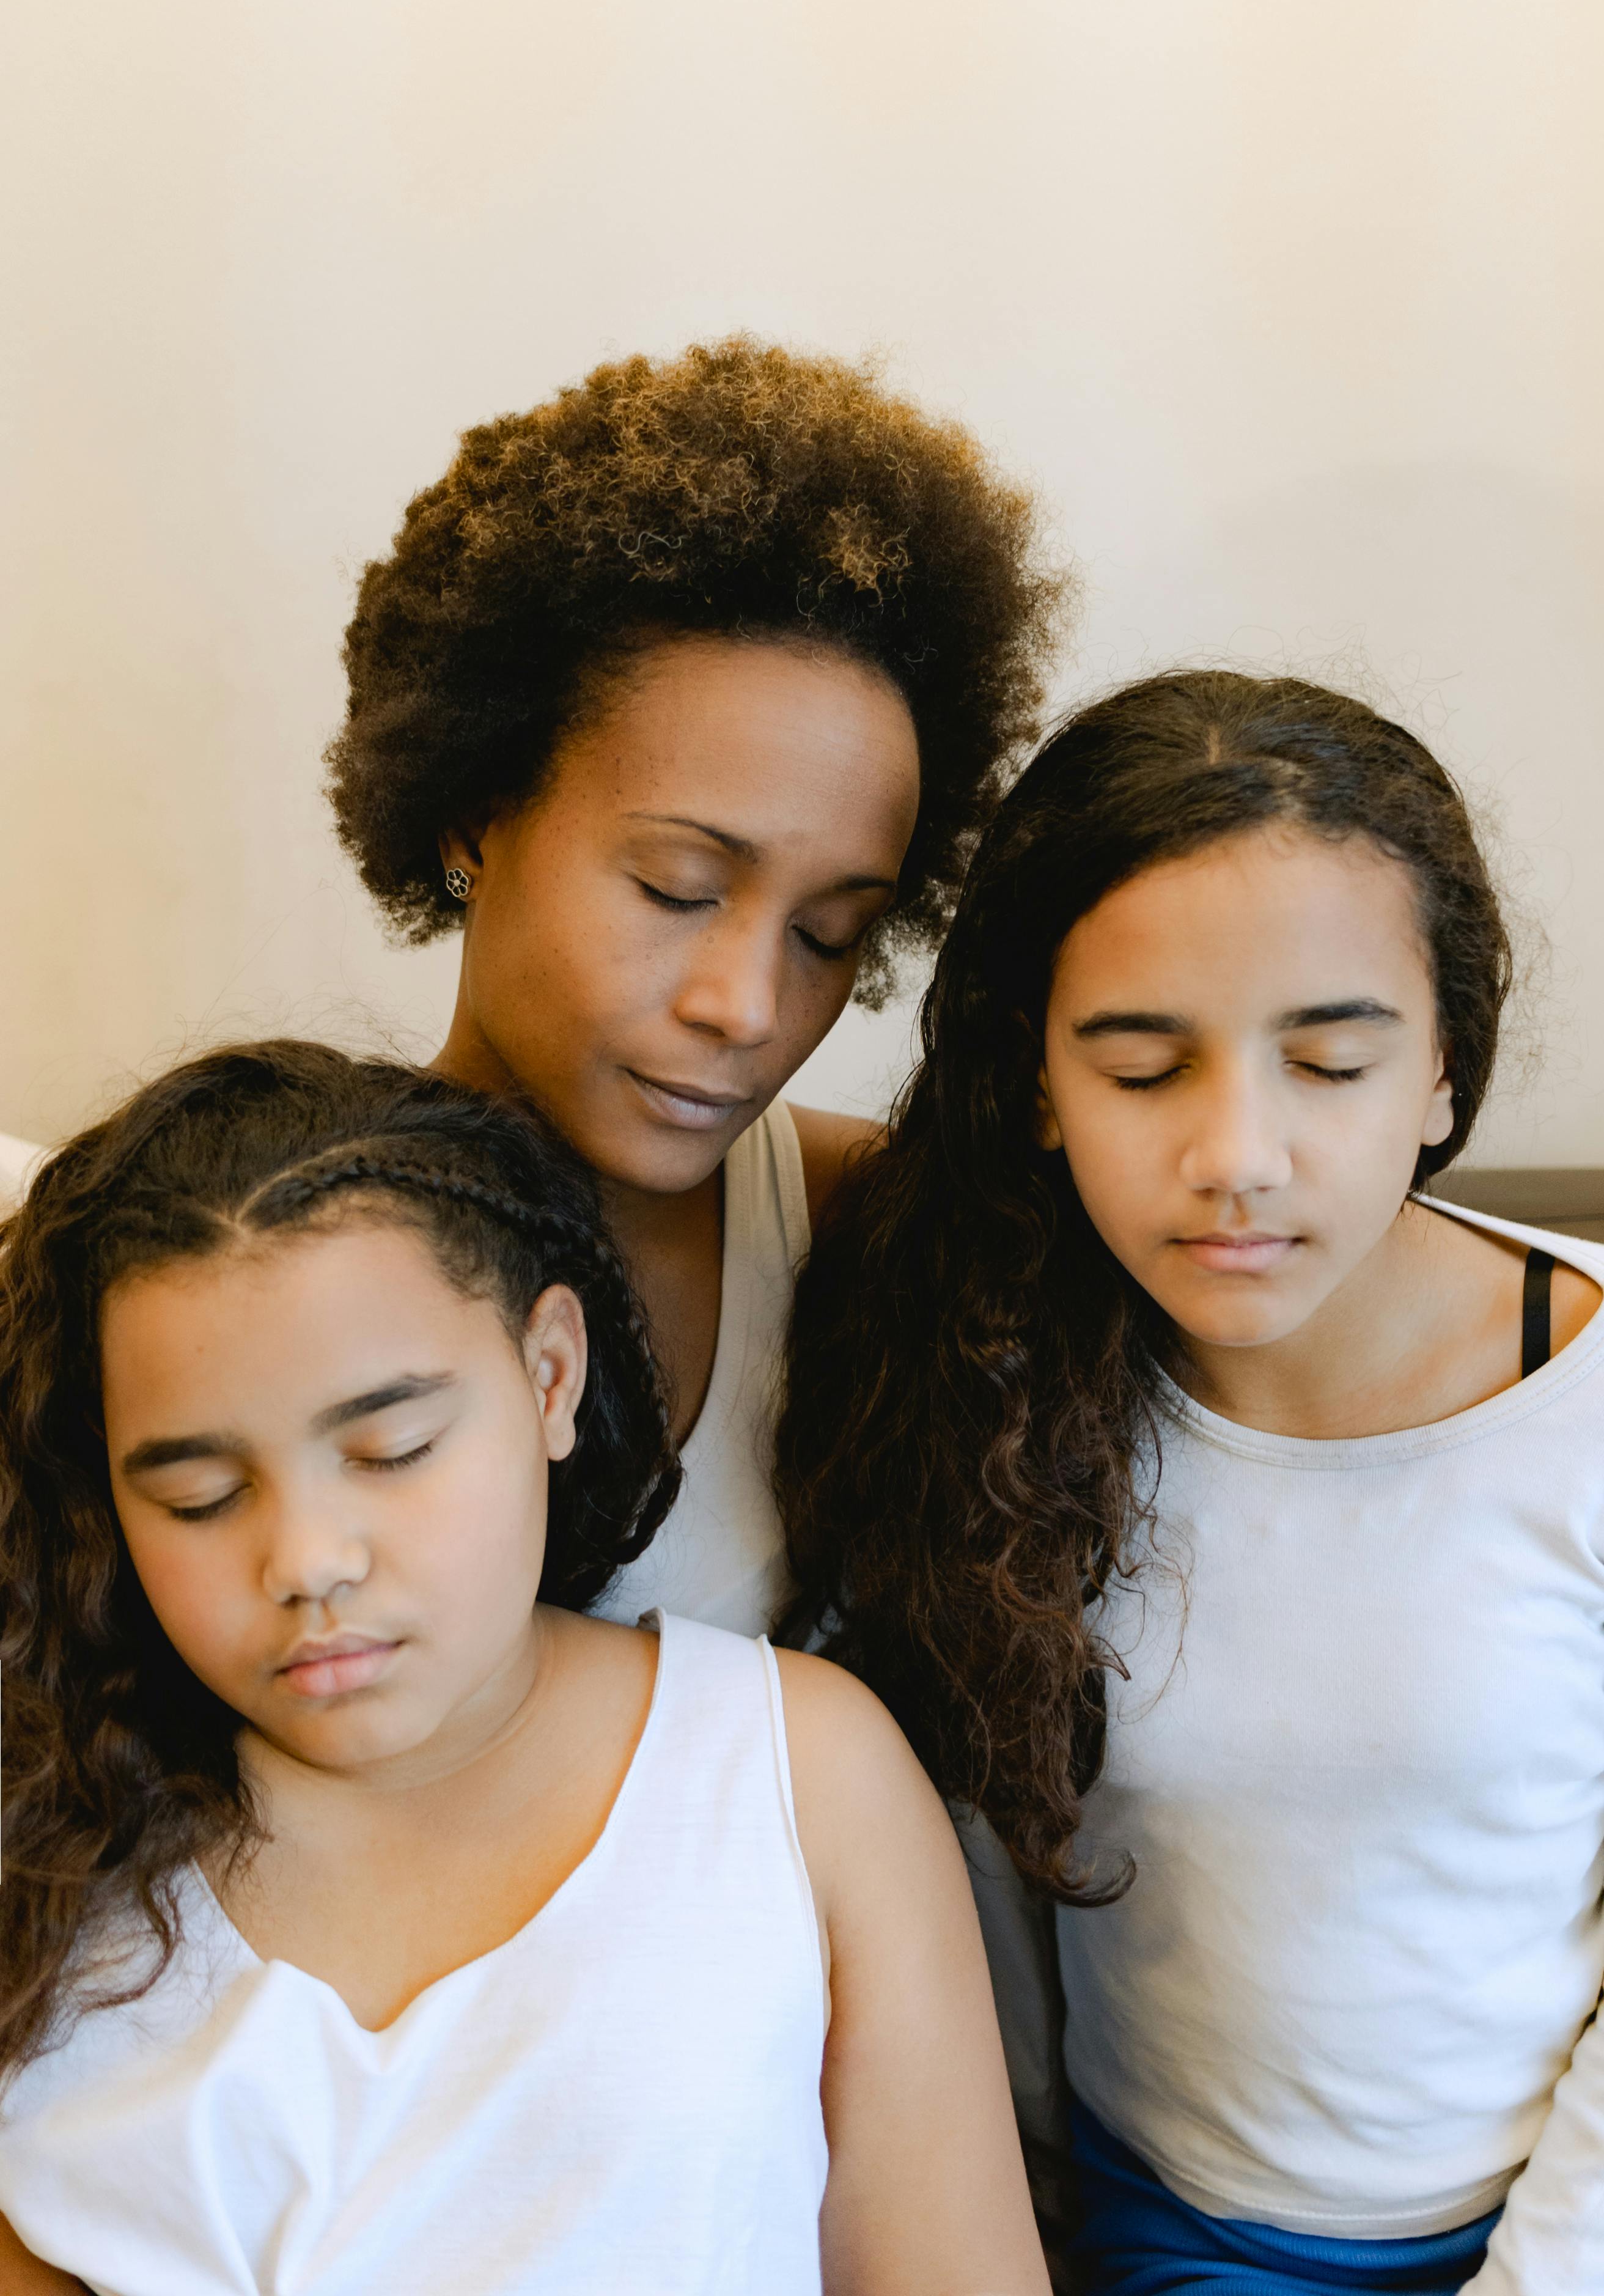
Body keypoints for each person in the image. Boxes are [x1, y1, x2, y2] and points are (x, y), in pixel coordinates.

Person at [777, 672, 1604, 2296]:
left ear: (1443, 1069)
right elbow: (983, 1901)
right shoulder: (995, 1393)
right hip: (1161, 2228)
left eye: (1331, 1062)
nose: (1238, 1155)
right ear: (1037, 1084)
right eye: (1145, 1070)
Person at [0, 1040, 1048, 2296]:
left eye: (394, 1449)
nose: (307, 1562)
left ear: (549, 1375)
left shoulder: (798, 1775)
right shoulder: (45, 1840)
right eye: (200, 1496)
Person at [325, 334, 1063, 1636]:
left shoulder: (866, 1233)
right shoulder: (244, 1235)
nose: (750, 1006)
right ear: (470, 816)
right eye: (676, 888)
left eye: (831, 934)